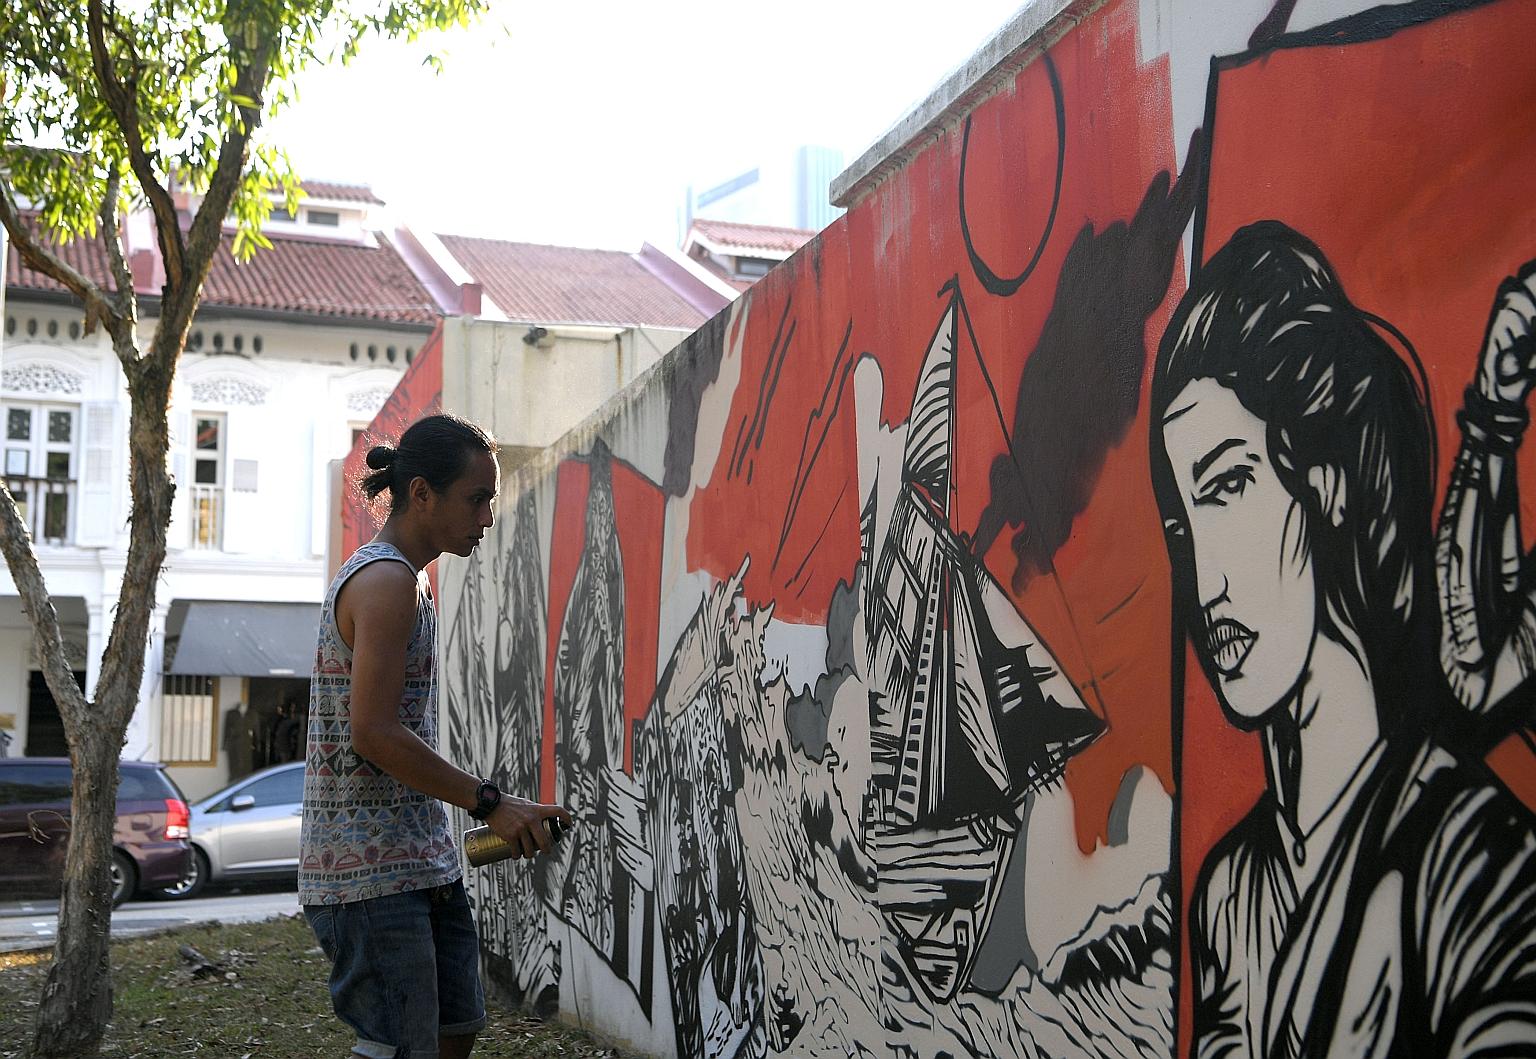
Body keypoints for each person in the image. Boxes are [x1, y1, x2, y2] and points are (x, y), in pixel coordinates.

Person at [1150, 221, 1536, 1055]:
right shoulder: (1230, 894)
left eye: (1230, 486)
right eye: (1182, 526)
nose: (1204, 577)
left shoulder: (1472, 859)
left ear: (1323, 481)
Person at [300, 412, 571, 1059]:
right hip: (368, 878)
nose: (485, 517)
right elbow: (374, 732)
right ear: (421, 492)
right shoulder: (385, 581)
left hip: (421, 862)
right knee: (403, 1048)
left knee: (456, 1031)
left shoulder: (411, 578)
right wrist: (491, 801)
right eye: (476, 499)